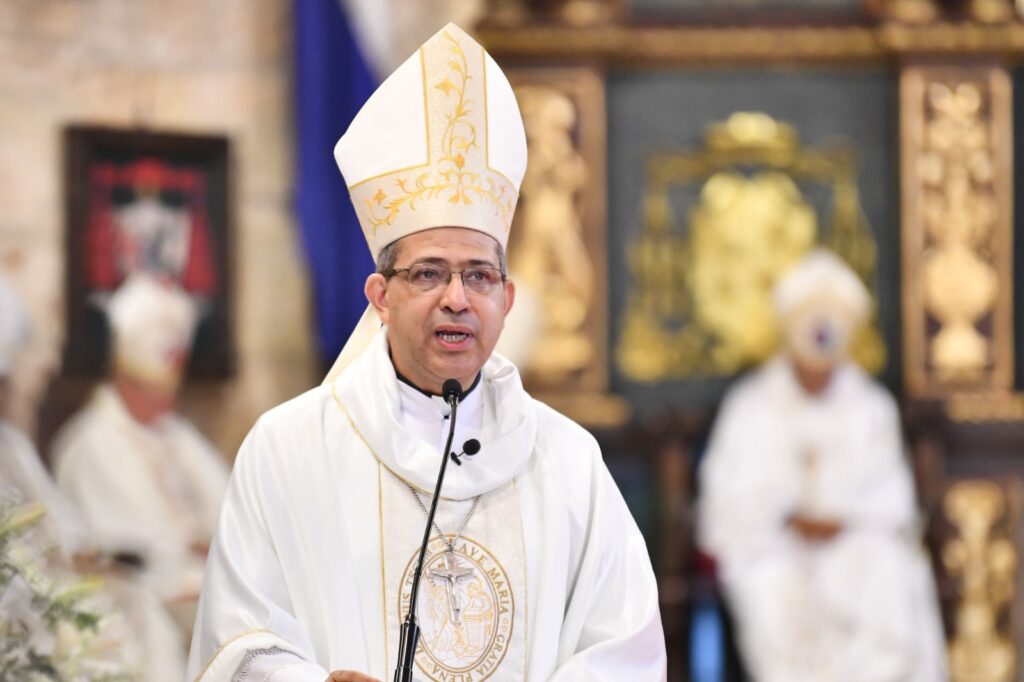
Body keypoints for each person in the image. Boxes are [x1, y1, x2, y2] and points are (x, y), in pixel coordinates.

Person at [188, 23, 666, 682]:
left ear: (508, 297)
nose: (457, 298)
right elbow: (237, 644)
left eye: (479, 276)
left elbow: (625, 649)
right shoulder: (289, 449)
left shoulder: (568, 461)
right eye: (428, 273)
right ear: (379, 296)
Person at [697, 249, 947, 682]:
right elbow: (724, 502)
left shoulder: (871, 407)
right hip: (775, 546)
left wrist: (843, 522)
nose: (818, 377)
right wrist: (789, 518)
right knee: (771, 589)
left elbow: (895, 501)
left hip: (854, 543)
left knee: (888, 574)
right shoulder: (751, 406)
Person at [0, 275, 186, 681]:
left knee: (133, 611)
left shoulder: (11, 444)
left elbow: (64, 530)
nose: (8, 395)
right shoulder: (90, 443)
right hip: (17, 610)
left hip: (49, 591)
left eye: (5, 384)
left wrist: (79, 553)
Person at [52, 272, 229, 631]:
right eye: (150, 388)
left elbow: (232, 508)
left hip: (208, 592)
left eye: (168, 389)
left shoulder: (177, 433)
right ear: (122, 377)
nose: (164, 400)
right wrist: (197, 553)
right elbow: (127, 553)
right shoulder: (90, 444)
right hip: (140, 614)